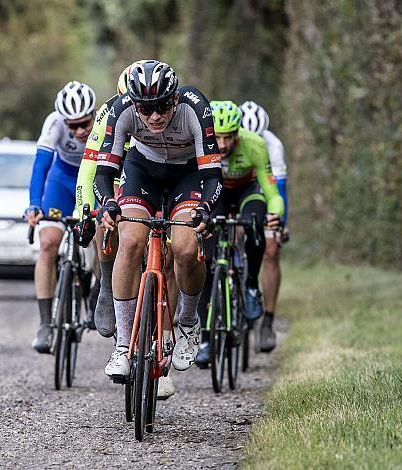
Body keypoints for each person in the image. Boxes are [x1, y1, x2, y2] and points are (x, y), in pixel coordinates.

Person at [94, 60, 223, 399]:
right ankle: (123, 346)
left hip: (188, 175)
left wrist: (206, 210)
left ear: (175, 98)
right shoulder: (120, 109)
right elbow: (104, 174)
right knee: (131, 239)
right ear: (134, 104)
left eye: (162, 106)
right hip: (143, 171)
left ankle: (189, 322)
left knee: (184, 247)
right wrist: (108, 203)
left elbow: (212, 178)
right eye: (146, 109)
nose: (154, 117)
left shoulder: (196, 108)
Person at [194, 100, 283, 367]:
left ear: (237, 133)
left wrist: (275, 214)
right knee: (205, 261)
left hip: (247, 192)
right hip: (216, 194)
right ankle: (207, 339)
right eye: (218, 137)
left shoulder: (254, 144)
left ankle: (252, 286)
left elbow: (272, 191)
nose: (222, 144)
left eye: (229, 137)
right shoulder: (201, 144)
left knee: (255, 225)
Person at [74, 60, 145, 337]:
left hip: (152, 170)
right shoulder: (108, 113)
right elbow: (89, 167)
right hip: (117, 170)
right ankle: (106, 283)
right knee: (106, 219)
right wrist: (84, 210)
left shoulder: (164, 115)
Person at [25, 81, 96, 353]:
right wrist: (34, 204)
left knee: (101, 239)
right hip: (62, 179)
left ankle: (95, 291)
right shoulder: (54, 122)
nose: (78, 131)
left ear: (93, 115)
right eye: (72, 125)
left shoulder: (104, 121)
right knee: (48, 244)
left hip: (92, 177)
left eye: (84, 124)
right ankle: (45, 322)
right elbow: (40, 165)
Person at [240, 100, 288, 352]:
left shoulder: (272, 145)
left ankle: (267, 321)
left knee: (271, 250)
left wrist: (280, 223)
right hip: (238, 190)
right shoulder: (229, 142)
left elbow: (279, 189)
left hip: (263, 190)